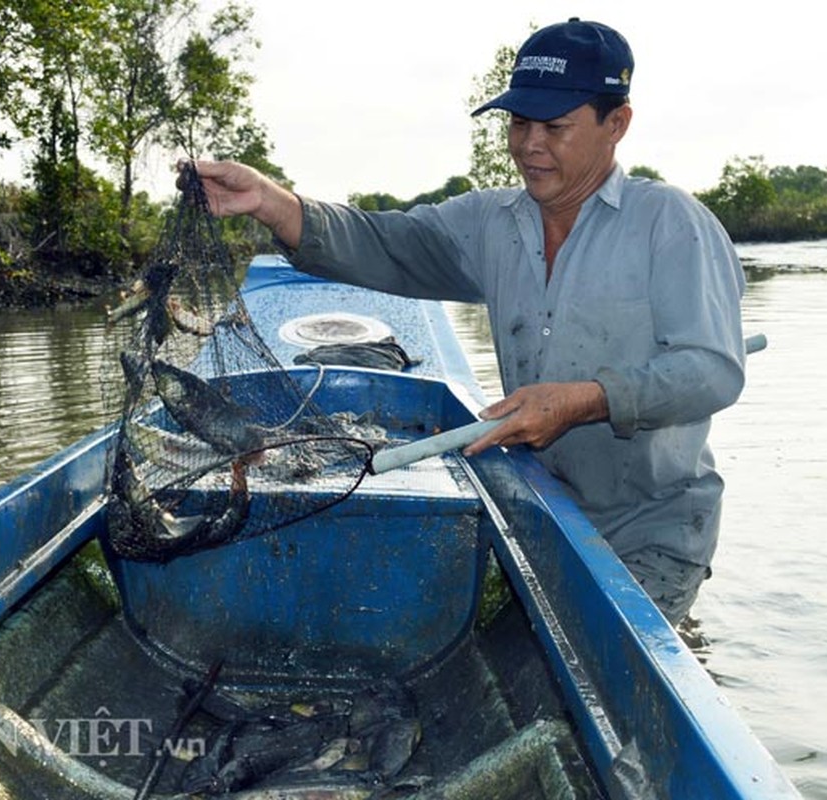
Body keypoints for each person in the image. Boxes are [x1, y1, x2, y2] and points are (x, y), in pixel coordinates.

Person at [185, 18, 747, 627]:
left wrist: (582, 401)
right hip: (547, 510)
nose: (530, 144)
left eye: (555, 126)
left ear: (617, 125)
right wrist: (271, 201)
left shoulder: (671, 223)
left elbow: (713, 370)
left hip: (651, 530)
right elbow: (385, 243)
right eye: (519, 122)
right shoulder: (490, 223)